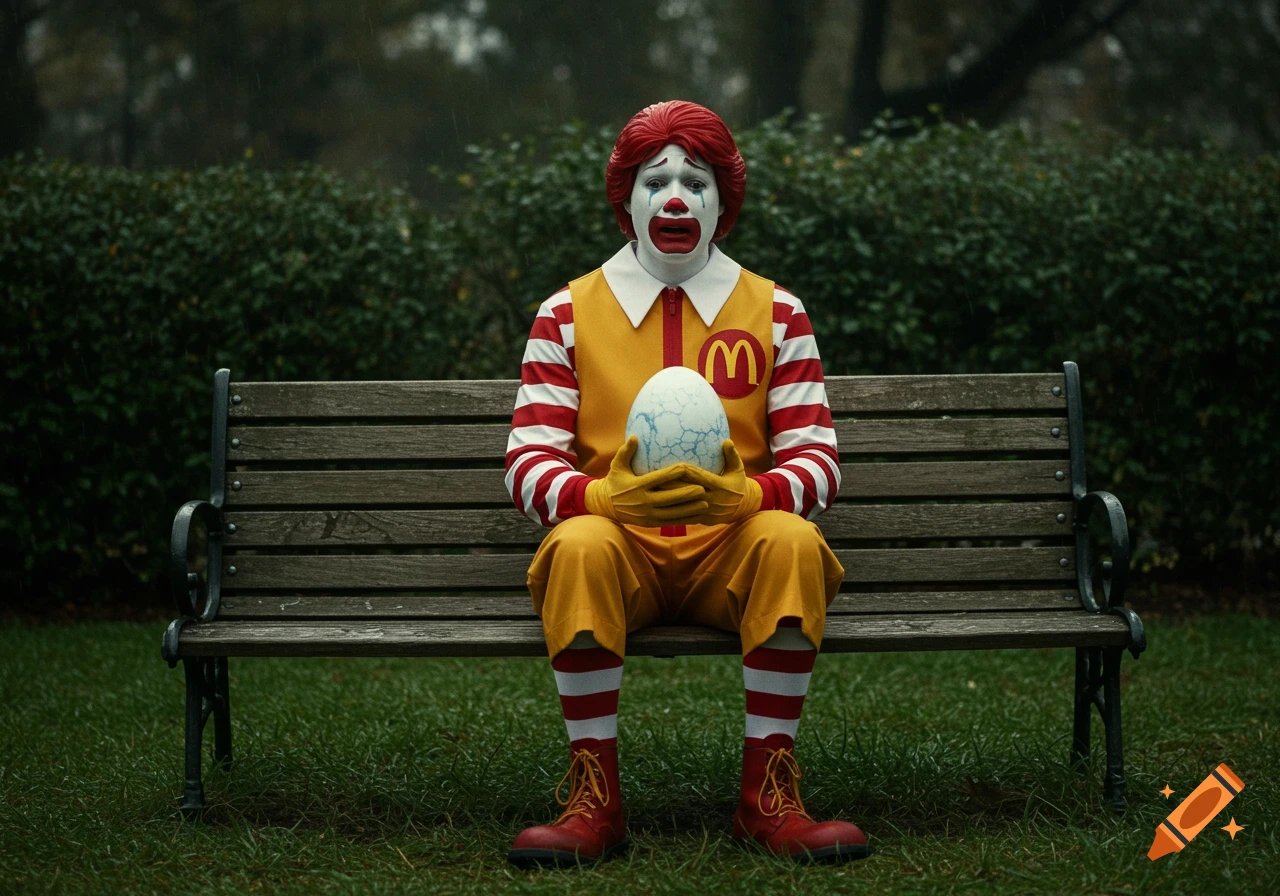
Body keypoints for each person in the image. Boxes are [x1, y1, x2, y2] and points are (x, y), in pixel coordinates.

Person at [504, 100, 866, 867]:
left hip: (732, 550)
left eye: (696, 181)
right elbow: (529, 460)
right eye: (654, 179)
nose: (675, 197)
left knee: (792, 540)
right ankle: (592, 796)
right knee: (576, 546)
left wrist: (754, 498)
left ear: (723, 203)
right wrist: (599, 497)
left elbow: (818, 460)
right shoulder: (566, 314)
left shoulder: (778, 313)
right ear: (626, 200)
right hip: (619, 554)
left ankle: (768, 797)